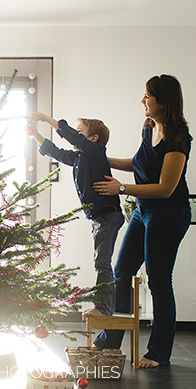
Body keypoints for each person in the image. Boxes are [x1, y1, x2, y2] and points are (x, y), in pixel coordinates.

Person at [90, 74, 192, 368]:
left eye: (148, 96)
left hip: (168, 214)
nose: (143, 101)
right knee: (122, 271)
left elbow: (165, 188)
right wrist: (100, 158)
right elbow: (137, 164)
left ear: (163, 101)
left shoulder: (177, 139)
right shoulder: (149, 128)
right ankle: (111, 339)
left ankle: (159, 352)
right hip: (142, 211)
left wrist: (120, 188)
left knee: (158, 281)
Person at [28, 113, 125, 302]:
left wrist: (47, 119)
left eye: (80, 133)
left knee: (102, 263)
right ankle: (104, 307)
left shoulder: (96, 152)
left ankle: (103, 308)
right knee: (101, 262)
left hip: (108, 216)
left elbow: (71, 136)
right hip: (99, 218)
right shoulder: (80, 158)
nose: (75, 135)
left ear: (93, 139)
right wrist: (34, 134)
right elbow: (56, 152)